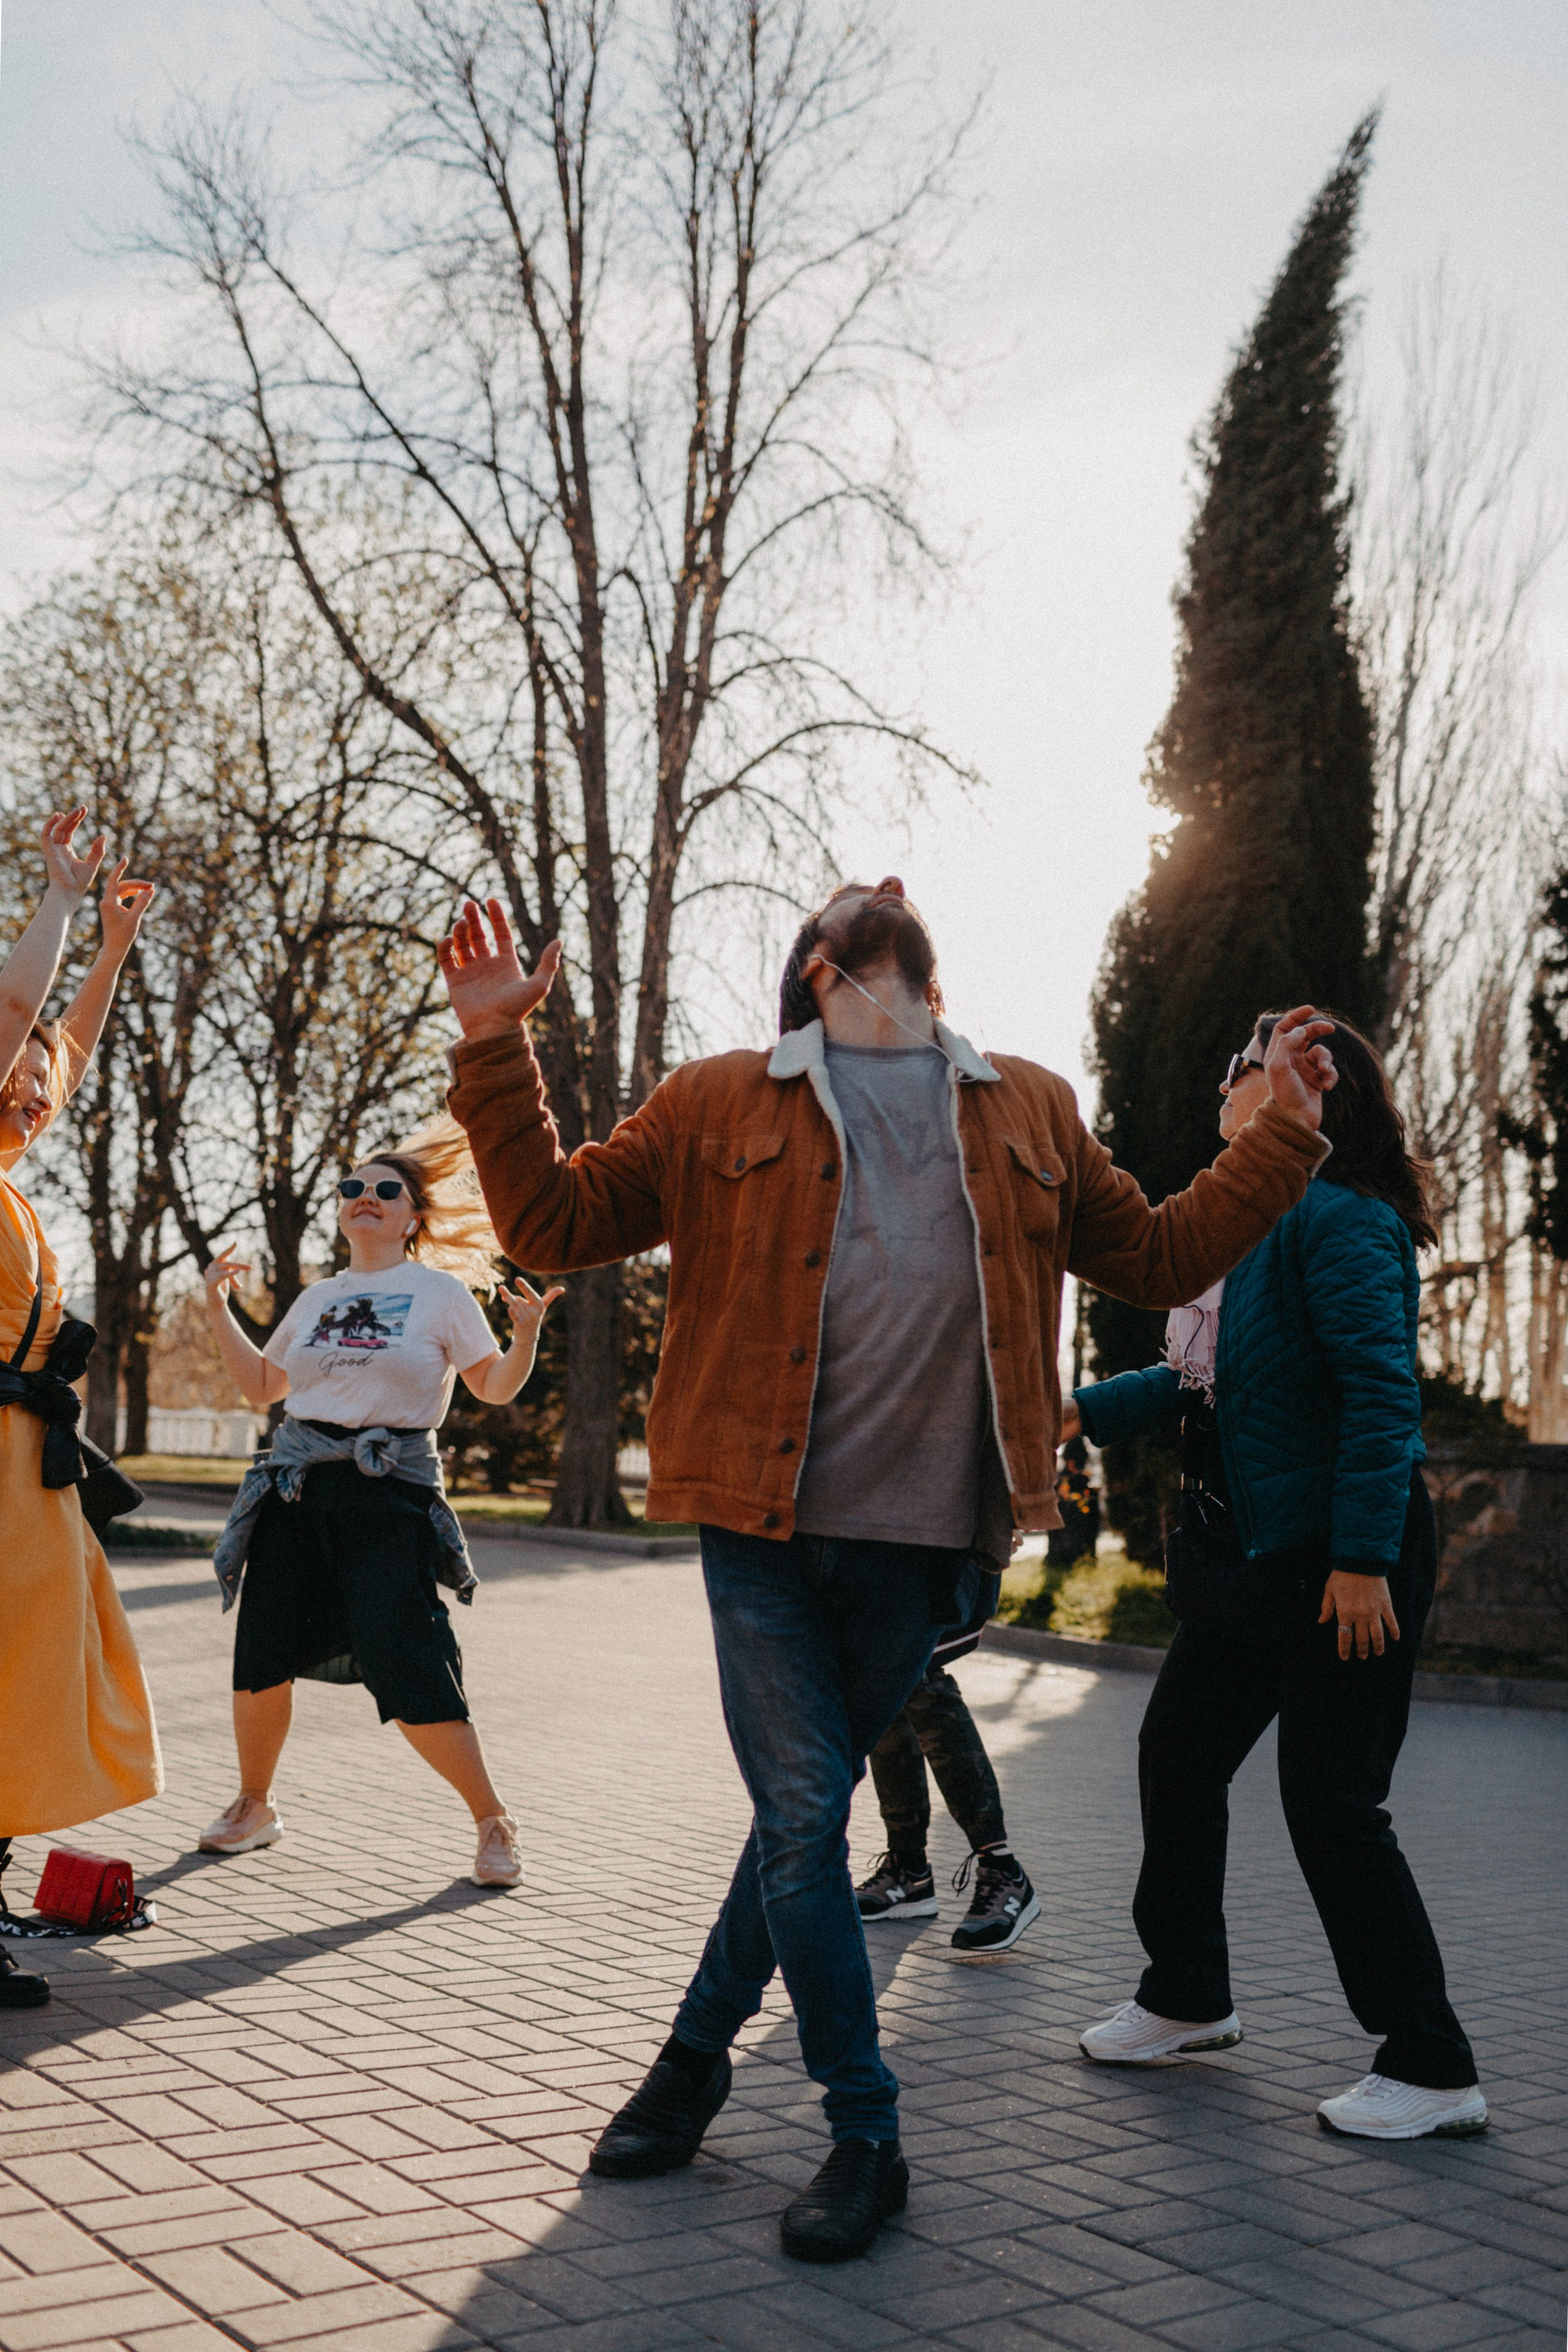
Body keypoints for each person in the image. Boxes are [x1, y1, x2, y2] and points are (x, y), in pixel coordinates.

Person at [437, 876, 1338, 2260]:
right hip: (759, 1539)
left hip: (926, 1558)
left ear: (928, 968)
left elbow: (1156, 1250)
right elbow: (552, 1221)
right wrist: (498, 1043)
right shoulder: (715, 1101)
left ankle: (688, 2060)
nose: (890, 893)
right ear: (818, 967)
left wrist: (1279, 1133)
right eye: (859, 901)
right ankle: (865, 2130)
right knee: (805, 1823)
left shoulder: (1026, 1105)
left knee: (789, 1829)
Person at [1069, 1014, 1485, 2142]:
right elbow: (1194, 1385)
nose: (1221, 1076)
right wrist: (1075, 1416)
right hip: (1266, 1563)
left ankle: (1433, 2062)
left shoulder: (1341, 1220)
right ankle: (1188, 1996)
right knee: (1179, 1754)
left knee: (1333, 1802)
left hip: (1349, 1558)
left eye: (1240, 1063)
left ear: (1308, 1092)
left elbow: (1380, 1395)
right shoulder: (1248, 1233)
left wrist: (1359, 1563)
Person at [196, 1121, 562, 1889]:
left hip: (387, 1493)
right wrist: (215, 1305)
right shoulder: (320, 1296)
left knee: (410, 1658)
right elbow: (264, 1387)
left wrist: (524, 1337)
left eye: (385, 1190)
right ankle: (253, 1806)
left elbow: (491, 1387)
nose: (366, 1198)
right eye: (353, 1189)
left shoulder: (440, 1293)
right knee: (262, 1652)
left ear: (412, 1216)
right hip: (298, 1490)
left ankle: (493, 1821)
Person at [0, 812, 162, 2011]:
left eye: (34, 1090)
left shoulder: (17, 1185)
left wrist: (108, 949)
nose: (27, 1087)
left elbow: (60, 1048)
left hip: (24, 1463)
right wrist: (55, 904)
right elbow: (19, 1021)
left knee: (27, 1676)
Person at [856, 1627, 1040, 1955]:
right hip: (871, 1581)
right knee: (883, 1687)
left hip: (929, 1579)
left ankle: (1003, 1870)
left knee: (922, 1682)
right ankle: (908, 1870)